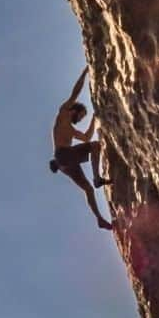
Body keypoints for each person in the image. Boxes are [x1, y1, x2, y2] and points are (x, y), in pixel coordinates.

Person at [49, 67, 112, 230]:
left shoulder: (71, 130)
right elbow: (75, 93)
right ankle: (97, 178)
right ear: (74, 111)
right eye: (82, 115)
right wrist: (84, 74)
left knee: (88, 189)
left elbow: (86, 137)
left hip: (65, 163)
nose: (81, 118)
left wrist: (93, 119)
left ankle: (99, 218)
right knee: (96, 146)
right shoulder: (63, 114)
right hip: (63, 154)